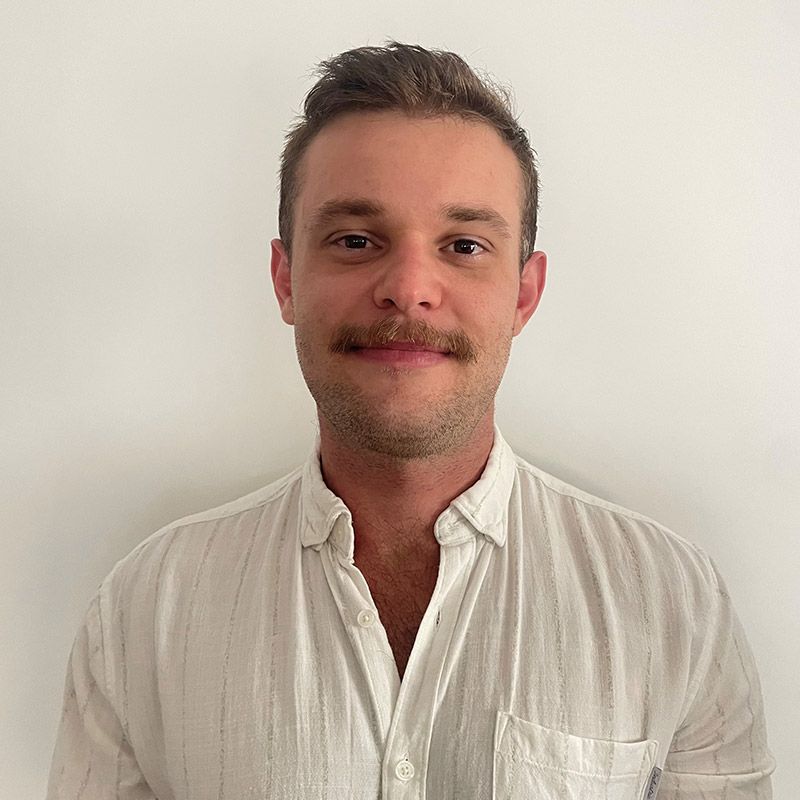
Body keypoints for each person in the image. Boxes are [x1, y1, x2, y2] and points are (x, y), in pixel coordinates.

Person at [47, 42, 774, 799]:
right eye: (357, 241)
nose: (408, 289)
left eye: (464, 245)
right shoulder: (143, 614)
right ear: (286, 279)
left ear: (524, 295)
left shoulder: (673, 605)